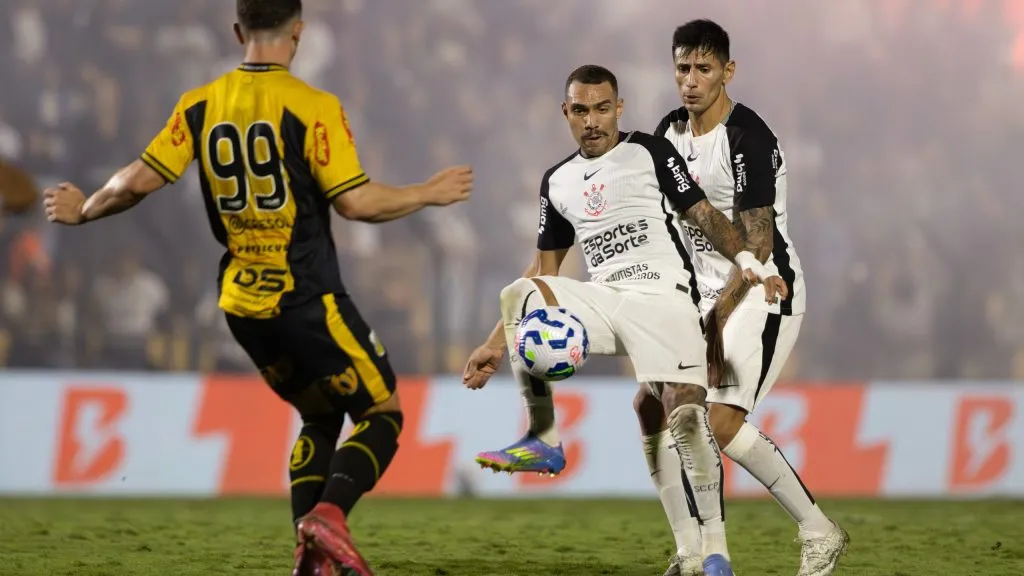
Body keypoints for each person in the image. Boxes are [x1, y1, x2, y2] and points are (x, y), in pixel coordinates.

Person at [43, 1, 473, 574]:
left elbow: (136, 180)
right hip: (306, 294)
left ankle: (308, 556)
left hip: (243, 303)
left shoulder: (200, 104)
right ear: (299, 31)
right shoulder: (312, 106)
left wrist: (84, 209)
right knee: (383, 414)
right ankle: (328, 518)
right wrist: (426, 191)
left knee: (320, 416)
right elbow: (355, 202)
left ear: (239, 30)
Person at [462, 64, 787, 576]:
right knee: (518, 291)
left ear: (619, 108)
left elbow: (703, 215)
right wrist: (495, 345)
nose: (591, 120)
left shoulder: (651, 152)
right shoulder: (558, 181)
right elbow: (546, 272)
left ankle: (713, 553)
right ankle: (544, 437)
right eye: (580, 110)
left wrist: (748, 261)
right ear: (565, 112)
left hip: (663, 300)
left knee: (679, 413)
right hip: (605, 301)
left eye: (601, 108)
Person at [641, 19, 849, 576]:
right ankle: (694, 552)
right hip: (703, 295)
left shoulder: (749, 139)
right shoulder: (668, 132)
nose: (690, 81)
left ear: (727, 72)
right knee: (667, 412)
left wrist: (716, 313)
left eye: (703, 69)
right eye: (682, 68)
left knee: (721, 424)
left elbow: (756, 243)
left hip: (761, 290)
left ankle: (819, 531)